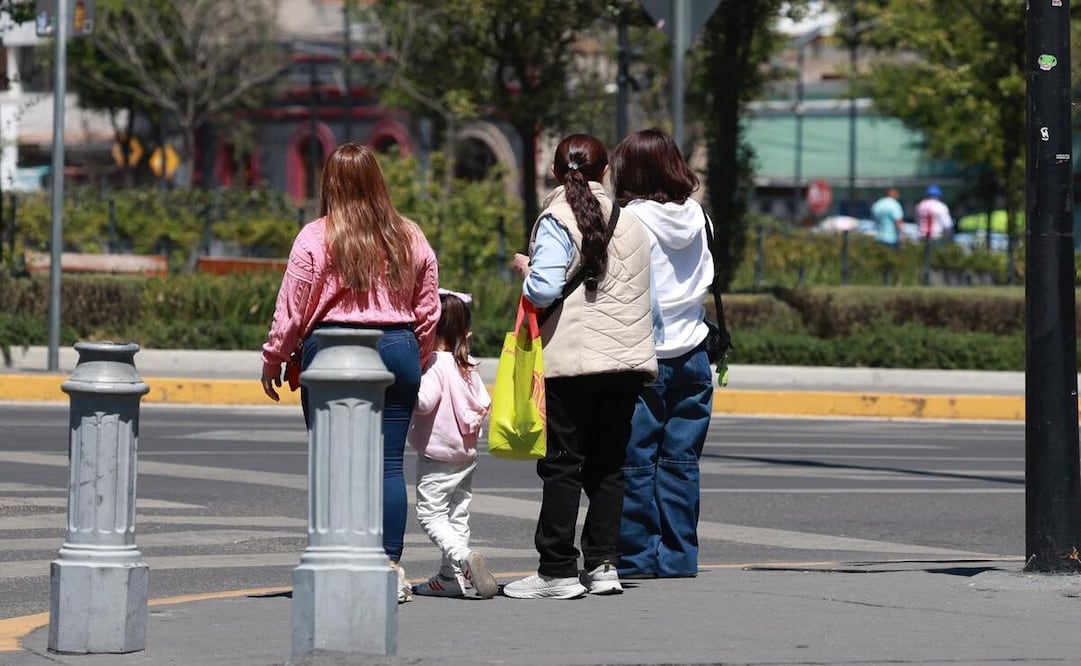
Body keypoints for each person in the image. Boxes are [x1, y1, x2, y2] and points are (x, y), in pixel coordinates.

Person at [259, 142, 440, 604]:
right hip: (398, 346)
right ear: (379, 181)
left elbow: (292, 308)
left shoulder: (316, 236)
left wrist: (274, 358)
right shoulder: (409, 234)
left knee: (333, 465)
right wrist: (415, 356)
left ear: (330, 184)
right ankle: (390, 566)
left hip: (335, 353)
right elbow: (428, 306)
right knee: (389, 466)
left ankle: (336, 560)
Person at [504, 133, 657, 600]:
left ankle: (556, 570)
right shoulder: (631, 223)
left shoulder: (556, 217)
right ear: (604, 172)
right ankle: (605, 564)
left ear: (555, 172)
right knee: (609, 464)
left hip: (573, 360)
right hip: (627, 360)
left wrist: (527, 273)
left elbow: (545, 289)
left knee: (562, 464)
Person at [609, 128, 714, 579]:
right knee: (680, 461)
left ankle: (638, 557)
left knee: (636, 459)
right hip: (694, 349)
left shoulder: (629, 220)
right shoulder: (700, 217)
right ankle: (679, 556)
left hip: (643, 352)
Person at [407, 290, 498, 600]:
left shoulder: (435, 363)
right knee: (457, 512)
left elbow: (423, 402)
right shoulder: (467, 363)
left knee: (430, 515)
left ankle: (463, 558)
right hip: (466, 454)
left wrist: (405, 384)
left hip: (438, 455)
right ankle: (449, 577)